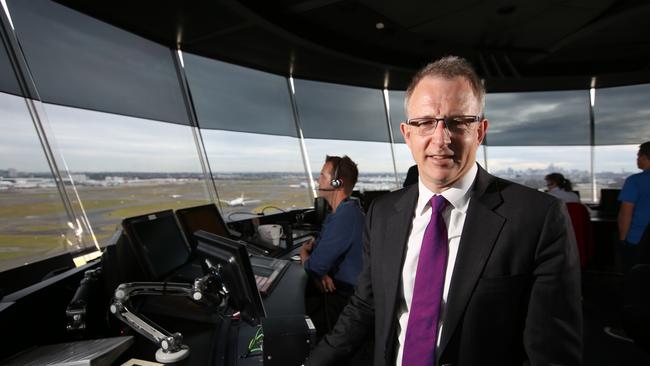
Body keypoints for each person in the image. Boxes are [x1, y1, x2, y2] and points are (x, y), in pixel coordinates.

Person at [307, 56, 582, 366]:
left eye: (458, 121)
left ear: (480, 131)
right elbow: (366, 305)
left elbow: (553, 355)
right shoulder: (382, 213)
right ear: (407, 134)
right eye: (425, 122)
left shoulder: (539, 218)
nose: (441, 139)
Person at [300, 155, 365, 337]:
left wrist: (304, 255)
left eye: (322, 175)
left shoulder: (346, 216)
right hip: (343, 293)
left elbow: (315, 265)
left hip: (346, 300)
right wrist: (322, 273)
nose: (317, 179)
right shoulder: (342, 212)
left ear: (337, 183)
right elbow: (321, 250)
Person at [617, 141, 650, 271]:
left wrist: (623, 240)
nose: (637, 159)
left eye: (638, 156)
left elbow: (626, 214)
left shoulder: (634, 181)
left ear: (644, 157)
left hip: (638, 240)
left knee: (637, 279)